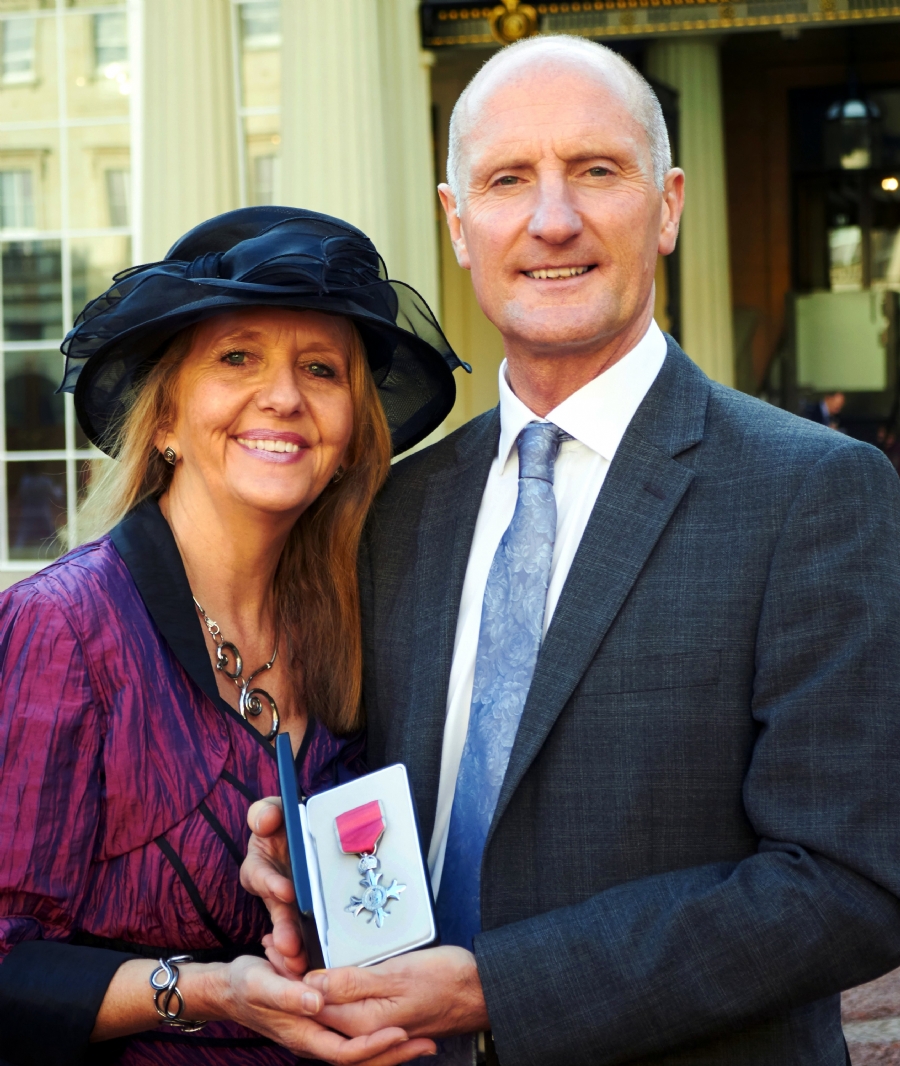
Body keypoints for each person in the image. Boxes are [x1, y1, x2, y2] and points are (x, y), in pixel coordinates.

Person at [242, 36, 900, 1066]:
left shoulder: (812, 492)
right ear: (459, 225)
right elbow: (385, 802)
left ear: (669, 204)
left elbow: (848, 883)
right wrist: (311, 866)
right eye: (509, 180)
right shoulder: (393, 509)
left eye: (597, 170)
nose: (553, 219)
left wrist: (495, 987)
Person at [0, 207, 466, 1065]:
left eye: (320, 368)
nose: (284, 396)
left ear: (350, 432)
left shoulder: (362, 621)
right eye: (237, 357)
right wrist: (212, 991)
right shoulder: (63, 628)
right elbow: (6, 968)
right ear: (167, 417)